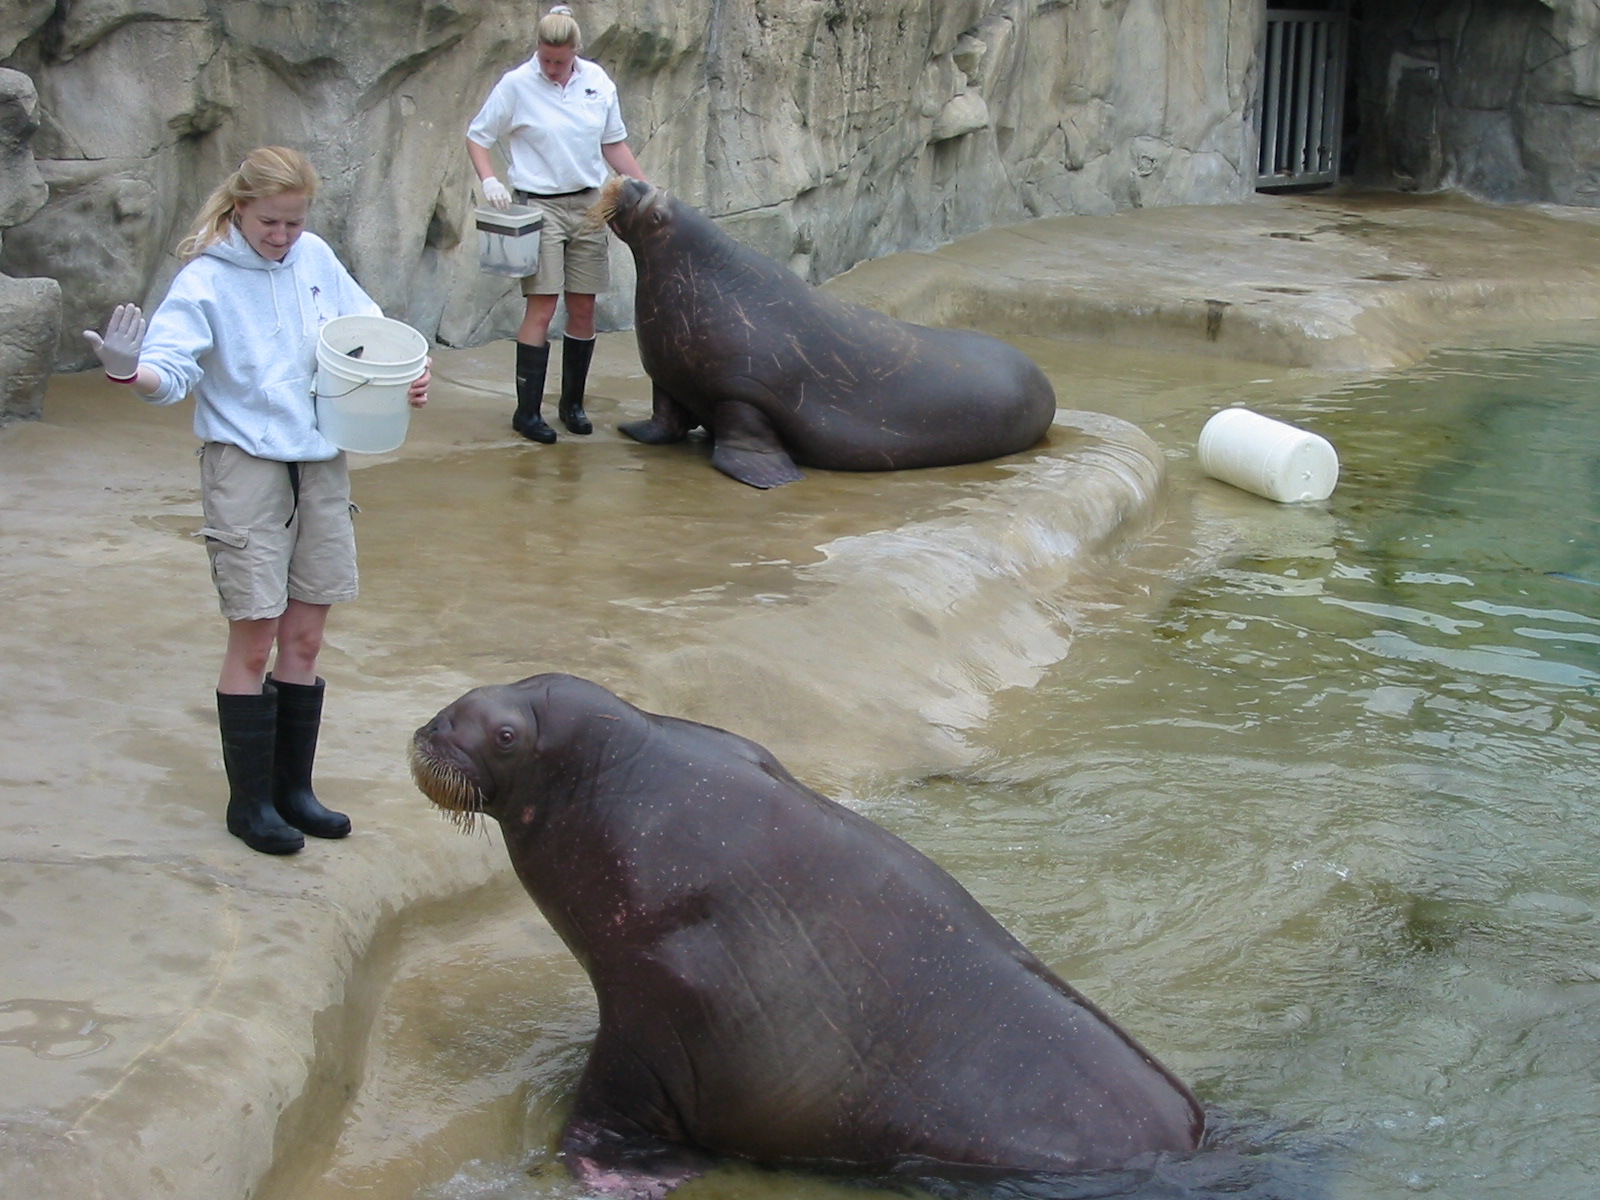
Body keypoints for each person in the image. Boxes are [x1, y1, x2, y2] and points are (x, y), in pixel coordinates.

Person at [82, 145, 430, 856]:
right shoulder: (205, 280)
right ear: (240, 208)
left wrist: (408, 376)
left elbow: (366, 336)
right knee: (256, 631)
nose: (282, 237)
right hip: (245, 462)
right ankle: (250, 805)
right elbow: (174, 372)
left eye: (294, 224)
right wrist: (132, 373)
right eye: (270, 222)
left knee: (305, 634)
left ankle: (293, 791)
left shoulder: (316, 259)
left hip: (321, 457)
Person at [466, 3, 647, 443]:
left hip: (589, 203)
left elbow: (613, 144)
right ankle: (527, 413)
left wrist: (645, 187)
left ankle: (573, 404)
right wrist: (490, 178)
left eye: (559, 61)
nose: (551, 67)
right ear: (538, 49)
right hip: (538, 205)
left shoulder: (597, 82)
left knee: (584, 304)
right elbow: (478, 136)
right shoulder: (517, 84)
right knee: (542, 305)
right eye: (545, 58)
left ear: (575, 52)